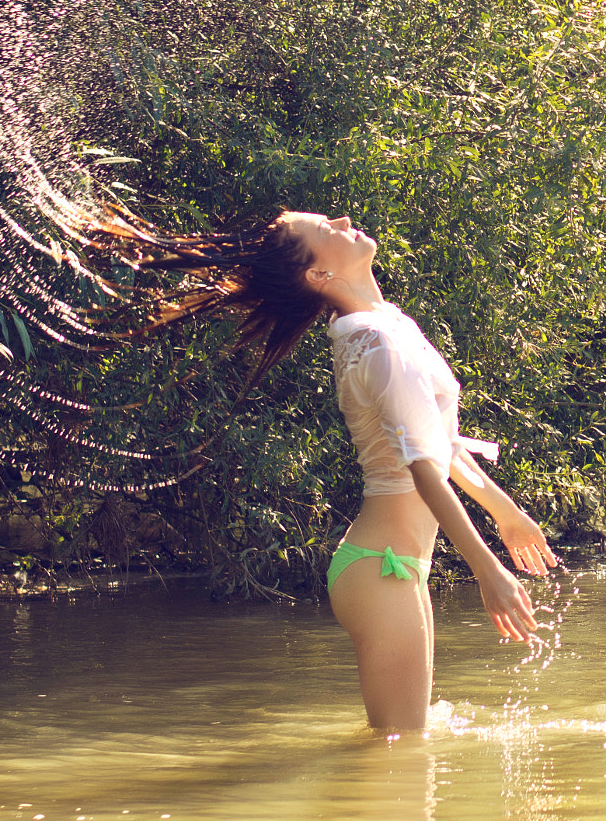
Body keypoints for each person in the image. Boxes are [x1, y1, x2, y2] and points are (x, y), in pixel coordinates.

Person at [88, 207, 559, 732]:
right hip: (382, 569)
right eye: (325, 229)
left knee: (404, 755)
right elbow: (424, 468)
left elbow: (439, 444)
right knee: (399, 749)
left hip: (396, 567)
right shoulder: (378, 343)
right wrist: (485, 568)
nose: (342, 219)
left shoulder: (388, 327)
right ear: (318, 276)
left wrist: (507, 513)